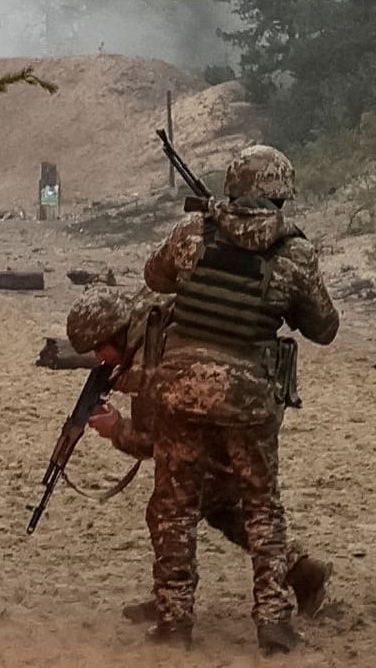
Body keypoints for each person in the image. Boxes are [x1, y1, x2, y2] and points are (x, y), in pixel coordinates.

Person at [141, 145, 340, 653]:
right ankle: (273, 621)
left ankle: (173, 621)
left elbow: (155, 277)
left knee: (175, 506)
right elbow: (324, 327)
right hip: (247, 394)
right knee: (260, 506)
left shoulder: (192, 233)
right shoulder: (295, 252)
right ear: (279, 194)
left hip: (179, 385)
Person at [63, 288, 332, 627]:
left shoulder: (152, 354)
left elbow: (156, 441)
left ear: (111, 334)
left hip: (230, 415)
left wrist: (117, 428)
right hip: (255, 398)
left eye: (98, 349)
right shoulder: (154, 316)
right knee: (218, 503)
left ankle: (173, 608)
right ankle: (302, 572)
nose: (100, 360)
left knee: (169, 508)